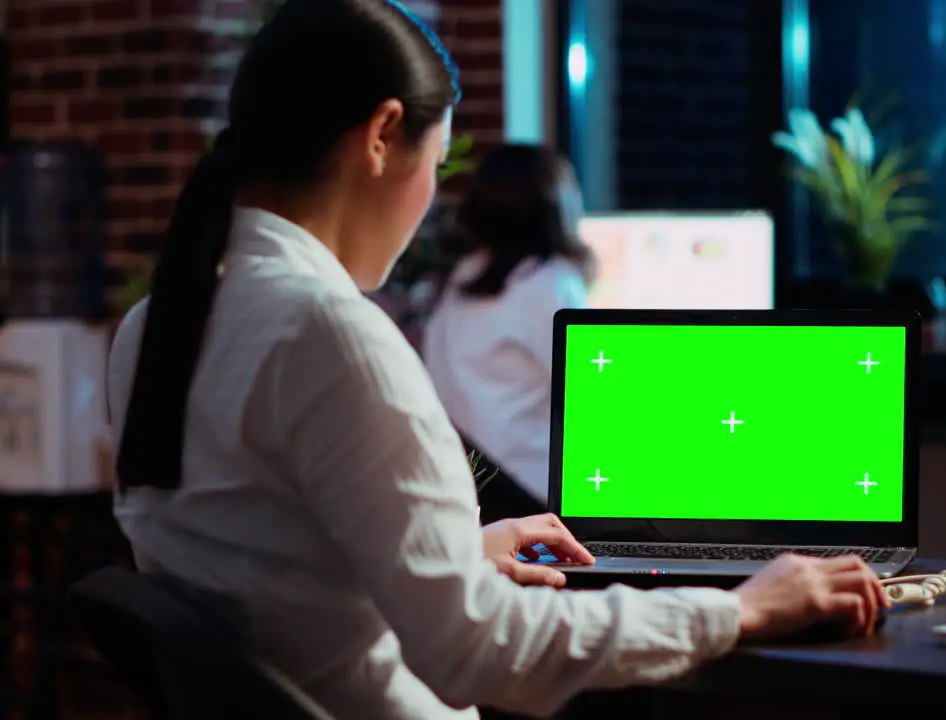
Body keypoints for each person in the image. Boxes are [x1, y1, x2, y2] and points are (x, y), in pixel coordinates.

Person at [106, 2, 890, 719]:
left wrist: (455, 556)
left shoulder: (156, 324)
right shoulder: (329, 333)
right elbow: (473, 653)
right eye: (437, 164)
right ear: (381, 136)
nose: (433, 201)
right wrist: (743, 609)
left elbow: (267, 572)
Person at [423, 144, 590, 517]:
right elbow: (593, 404)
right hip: (533, 498)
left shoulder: (462, 277)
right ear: (557, 205)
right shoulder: (549, 284)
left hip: (468, 490)